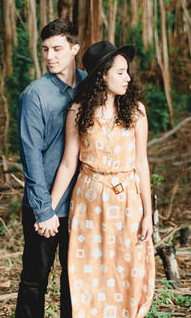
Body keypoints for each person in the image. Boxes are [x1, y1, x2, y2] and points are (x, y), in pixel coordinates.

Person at [48, 40, 155, 318]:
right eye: (120, 72)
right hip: (89, 202)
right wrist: (48, 209)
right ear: (102, 76)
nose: (127, 78)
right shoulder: (78, 111)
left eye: (127, 71)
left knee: (127, 270)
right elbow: (68, 163)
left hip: (127, 200)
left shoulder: (136, 111)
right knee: (89, 273)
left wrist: (148, 214)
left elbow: (141, 163)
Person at [16, 19, 85, 318]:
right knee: (35, 280)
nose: (50, 56)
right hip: (43, 204)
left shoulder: (91, 86)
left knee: (76, 280)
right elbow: (30, 156)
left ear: (74, 49)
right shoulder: (35, 95)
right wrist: (44, 210)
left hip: (82, 204)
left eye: (57, 49)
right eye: (45, 49)